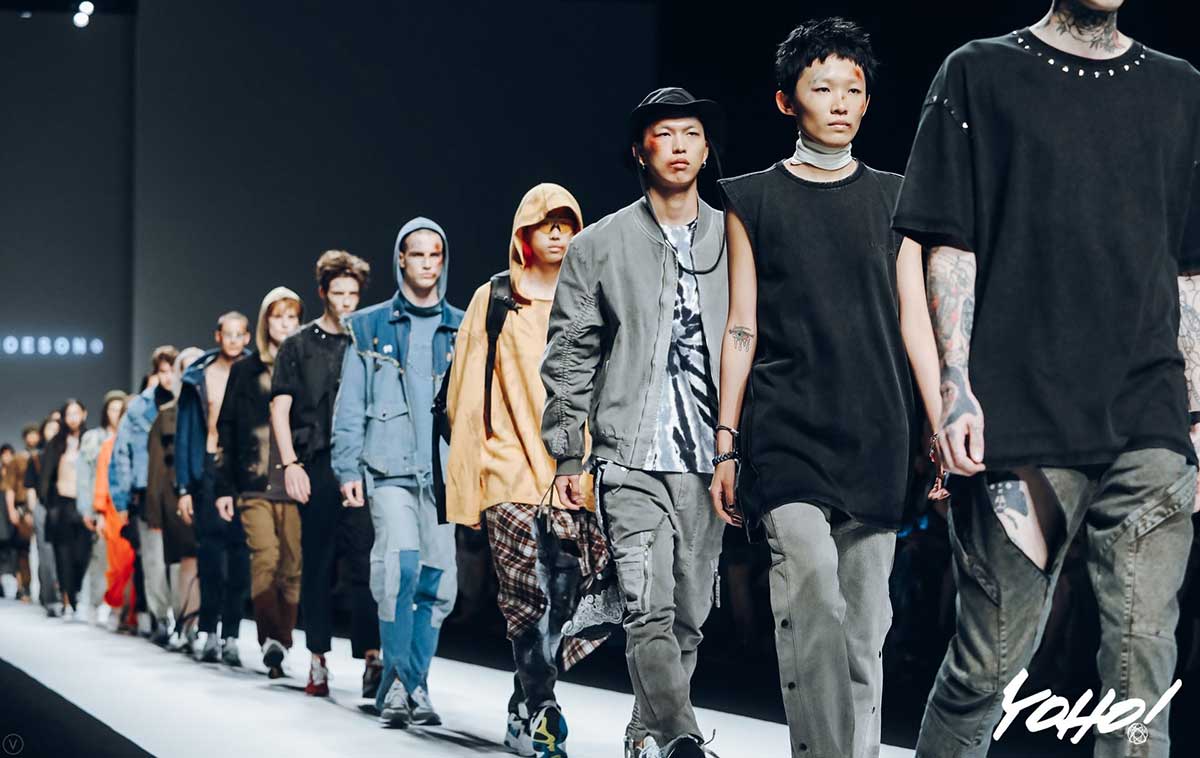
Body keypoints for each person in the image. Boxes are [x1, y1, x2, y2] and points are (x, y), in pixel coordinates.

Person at [891, 2, 1200, 755]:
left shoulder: (1180, 88)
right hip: (1021, 422)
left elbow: (1190, 267)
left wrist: (1195, 415)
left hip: (1150, 418)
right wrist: (955, 386)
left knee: (1141, 669)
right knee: (989, 665)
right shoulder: (980, 72)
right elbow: (950, 244)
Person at [711, 19, 941, 758]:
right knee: (811, 591)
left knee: (865, 628)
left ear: (868, 101)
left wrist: (938, 424)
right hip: (786, 429)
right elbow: (740, 324)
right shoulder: (751, 199)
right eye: (822, 87)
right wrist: (726, 440)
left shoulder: (898, 200)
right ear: (787, 100)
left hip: (876, 430)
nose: (840, 102)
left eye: (853, 89)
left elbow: (915, 321)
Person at [541, 87, 729, 758]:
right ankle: (682, 738)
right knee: (647, 605)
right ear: (639, 150)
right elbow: (570, 353)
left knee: (690, 615)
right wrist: (568, 453)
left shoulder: (736, 237)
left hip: (709, 458)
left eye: (691, 134)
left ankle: (646, 732)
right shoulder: (599, 244)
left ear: (705, 150)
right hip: (628, 456)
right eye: (664, 133)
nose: (679, 145)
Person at [447, 184, 609, 758]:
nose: (560, 235)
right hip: (506, 467)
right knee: (524, 594)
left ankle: (525, 702)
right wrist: (465, 487)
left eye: (569, 224)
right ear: (524, 233)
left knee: (566, 596)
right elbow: (466, 395)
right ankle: (543, 707)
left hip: (570, 472)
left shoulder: (591, 298)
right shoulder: (494, 298)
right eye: (548, 224)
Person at [332, 217, 461, 727]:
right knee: (398, 569)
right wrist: (346, 466)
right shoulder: (370, 326)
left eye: (435, 254)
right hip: (388, 469)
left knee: (438, 584)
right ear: (401, 260)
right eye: (418, 254)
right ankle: (400, 683)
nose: (427, 263)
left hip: (444, 477)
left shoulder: (463, 326)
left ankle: (412, 684)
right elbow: (350, 403)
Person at [272, 250, 381, 696]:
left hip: (362, 466)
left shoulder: (368, 341)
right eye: (338, 293)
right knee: (316, 563)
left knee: (365, 563)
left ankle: (372, 658)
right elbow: (280, 409)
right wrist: (289, 465)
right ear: (322, 293)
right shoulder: (297, 345)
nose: (346, 301)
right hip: (315, 464)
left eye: (353, 293)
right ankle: (317, 658)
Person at [215, 287, 303, 678]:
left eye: (292, 317)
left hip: (297, 481)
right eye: (278, 316)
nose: (285, 324)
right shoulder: (245, 370)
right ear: (266, 321)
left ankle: (282, 640)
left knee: (292, 566)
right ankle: (272, 640)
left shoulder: (305, 365)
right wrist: (223, 486)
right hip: (254, 480)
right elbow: (227, 427)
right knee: (265, 557)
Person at [176, 312, 252, 664]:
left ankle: (231, 634)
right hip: (207, 466)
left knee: (240, 555)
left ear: (248, 337)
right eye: (228, 333)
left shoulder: (256, 373)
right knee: (209, 554)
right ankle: (208, 630)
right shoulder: (198, 376)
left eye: (240, 334)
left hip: (244, 470)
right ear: (218, 336)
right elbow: (184, 434)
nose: (234, 340)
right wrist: (183, 487)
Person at [111, 345, 180, 644]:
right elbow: (121, 453)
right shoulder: (139, 407)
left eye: (172, 370)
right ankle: (160, 617)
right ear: (155, 373)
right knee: (153, 558)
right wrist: (123, 496)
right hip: (144, 489)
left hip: (179, 488)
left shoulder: (188, 401)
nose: (168, 377)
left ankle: (184, 620)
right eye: (163, 371)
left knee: (181, 558)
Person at [148, 347, 205, 651]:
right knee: (188, 560)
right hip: (175, 497)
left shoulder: (216, 406)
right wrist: (155, 511)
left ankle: (208, 627)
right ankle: (188, 624)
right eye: (187, 367)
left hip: (212, 492)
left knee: (212, 561)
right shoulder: (167, 413)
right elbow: (157, 467)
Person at [36, 399, 92, 618]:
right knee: (63, 554)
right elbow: (45, 477)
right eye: (69, 414)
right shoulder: (56, 443)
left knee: (82, 554)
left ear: (84, 414)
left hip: (84, 505)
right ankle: (68, 598)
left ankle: (76, 592)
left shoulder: (90, 440)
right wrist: (48, 502)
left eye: (77, 413)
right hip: (61, 504)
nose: (73, 418)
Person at [75, 390, 127, 623]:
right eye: (112, 409)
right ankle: (96, 604)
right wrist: (89, 509)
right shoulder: (94, 438)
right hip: (102, 505)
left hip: (123, 506)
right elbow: (85, 476)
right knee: (101, 557)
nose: (116, 414)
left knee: (124, 560)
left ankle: (121, 608)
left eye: (120, 409)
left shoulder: (131, 435)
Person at [25, 416, 61, 616]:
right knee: (46, 553)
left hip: (65, 506)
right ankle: (51, 598)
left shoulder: (68, 453)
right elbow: (30, 487)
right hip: (43, 506)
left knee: (64, 553)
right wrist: (33, 511)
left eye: (57, 428)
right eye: (49, 429)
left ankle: (67, 596)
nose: (53, 433)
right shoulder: (37, 458)